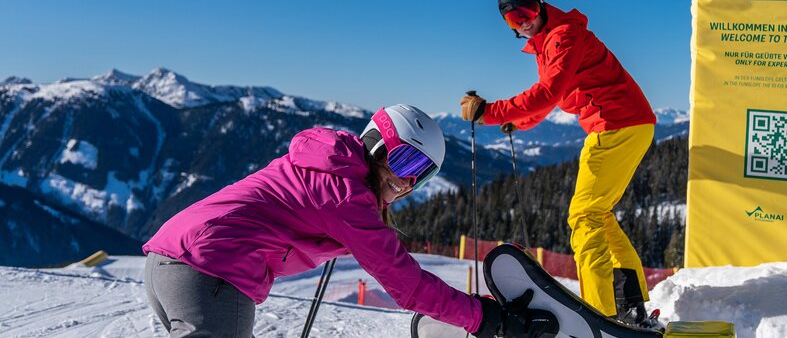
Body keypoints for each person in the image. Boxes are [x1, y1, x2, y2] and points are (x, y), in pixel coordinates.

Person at [142, 104, 553, 338]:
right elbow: (406, 284)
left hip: (168, 263)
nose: (406, 181)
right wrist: (486, 319)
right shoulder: (344, 194)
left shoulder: (330, 168)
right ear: (375, 145)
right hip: (210, 272)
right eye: (405, 160)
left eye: (422, 173)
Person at [460, 0, 660, 329]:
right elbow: (551, 97)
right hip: (628, 123)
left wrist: (491, 112)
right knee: (599, 215)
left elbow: (547, 93)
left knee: (584, 217)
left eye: (526, 12)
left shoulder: (564, 36)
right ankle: (629, 307)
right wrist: (518, 124)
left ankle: (604, 315)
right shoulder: (547, 43)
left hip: (615, 125)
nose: (521, 22)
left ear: (540, 6)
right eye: (512, 19)